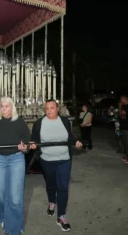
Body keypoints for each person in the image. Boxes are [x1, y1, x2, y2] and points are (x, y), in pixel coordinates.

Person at [30, 99, 83, 232]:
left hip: (64, 159)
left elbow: (70, 137)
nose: (49, 111)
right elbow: (34, 139)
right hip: (47, 160)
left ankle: (61, 216)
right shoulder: (39, 123)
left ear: (57, 108)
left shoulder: (64, 121)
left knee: (63, 187)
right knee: (51, 184)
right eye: (47, 108)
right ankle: (52, 202)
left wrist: (76, 142)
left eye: (52, 108)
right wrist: (33, 144)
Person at [0, 97, 30, 235]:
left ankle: (14, 228)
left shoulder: (20, 122)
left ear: (12, 108)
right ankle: (1, 216)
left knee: (15, 197)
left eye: (7, 106)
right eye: (2, 106)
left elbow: (27, 142)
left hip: (16, 159)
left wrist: (24, 148)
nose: (4, 108)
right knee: (0, 193)